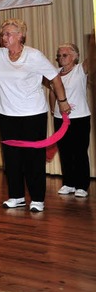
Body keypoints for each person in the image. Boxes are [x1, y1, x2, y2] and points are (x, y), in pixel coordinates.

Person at [0, 19, 71, 212]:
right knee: (12, 158)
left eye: (9, 34)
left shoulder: (34, 56)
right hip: (6, 115)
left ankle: (37, 198)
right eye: (3, 34)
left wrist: (63, 103)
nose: (4, 37)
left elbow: (55, 78)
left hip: (33, 114)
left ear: (21, 35)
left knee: (33, 158)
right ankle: (16, 196)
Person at [50, 42, 92, 198]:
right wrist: (53, 110)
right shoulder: (55, 73)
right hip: (60, 119)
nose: (61, 58)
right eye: (59, 55)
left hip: (79, 118)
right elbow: (53, 93)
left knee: (79, 152)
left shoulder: (80, 69)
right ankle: (68, 183)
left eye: (65, 55)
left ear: (75, 56)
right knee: (65, 151)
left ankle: (82, 185)